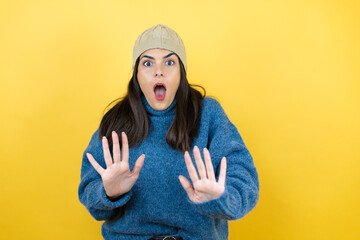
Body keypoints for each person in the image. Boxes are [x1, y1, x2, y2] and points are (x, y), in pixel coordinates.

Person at [78, 24, 260, 240]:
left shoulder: (208, 115)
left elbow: (245, 183)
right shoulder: (116, 122)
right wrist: (108, 193)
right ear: (136, 74)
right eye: (147, 63)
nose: (159, 71)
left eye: (169, 62)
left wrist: (221, 198)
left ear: (181, 73)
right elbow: (93, 200)